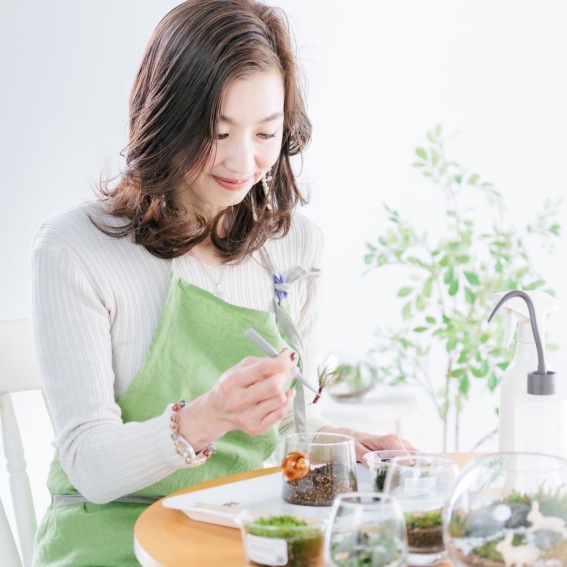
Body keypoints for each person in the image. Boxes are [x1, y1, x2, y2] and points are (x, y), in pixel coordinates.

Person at [30, 1, 414, 564]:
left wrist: (338, 443)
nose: (242, 161)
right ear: (166, 118)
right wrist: (205, 417)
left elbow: (287, 426)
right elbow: (88, 464)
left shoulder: (296, 247)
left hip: (236, 533)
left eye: (266, 133)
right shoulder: (76, 250)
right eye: (218, 131)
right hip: (109, 539)